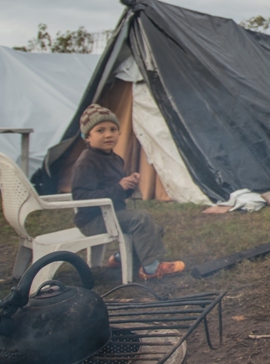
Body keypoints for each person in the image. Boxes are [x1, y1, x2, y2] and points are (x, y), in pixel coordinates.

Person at [71, 104, 185, 280]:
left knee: (155, 229)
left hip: (112, 214)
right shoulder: (86, 162)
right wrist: (119, 187)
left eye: (113, 129)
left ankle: (118, 259)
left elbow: (117, 193)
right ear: (87, 137)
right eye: (100, 130)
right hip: (92, 220)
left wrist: (129, 184)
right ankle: (151, 269)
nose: (108, 134)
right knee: (141, 218)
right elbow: (82, 198)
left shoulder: (115, 159)